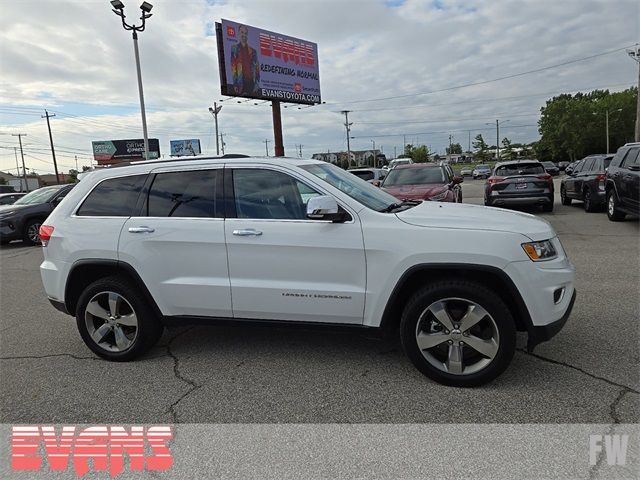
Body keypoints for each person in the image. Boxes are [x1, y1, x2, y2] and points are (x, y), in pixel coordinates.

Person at [230, 24, 261, 95]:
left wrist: (257, 84)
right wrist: (235, 83)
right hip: (240, 82)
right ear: (238, 33)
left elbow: (257, 69)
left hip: (252, 83)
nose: (244, 35)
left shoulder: (253, 51)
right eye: (242, 32)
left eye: (245, 33)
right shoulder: (234, 48)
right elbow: (233, 67)